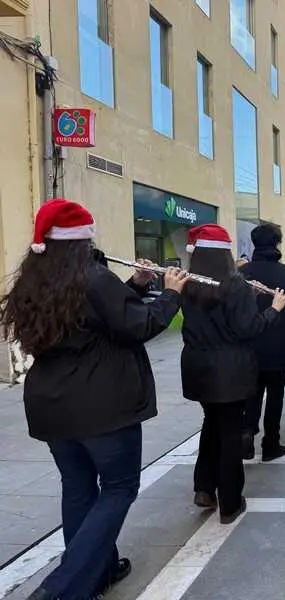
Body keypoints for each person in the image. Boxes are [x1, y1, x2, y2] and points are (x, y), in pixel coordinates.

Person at [0, 199, 189, 600]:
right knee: (119, 488)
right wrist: (171, 294)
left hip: (52, 405)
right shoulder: (94, 277)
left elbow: (98, 315)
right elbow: (137, 324)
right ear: (81, 241)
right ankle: (63, 589)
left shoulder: (34, 281)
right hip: (102, 406)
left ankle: (97, 570)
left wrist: (137, 284)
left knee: (79, 487)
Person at [180, 225, 285, 524]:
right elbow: (248, 328)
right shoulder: (234, 285)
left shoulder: (188, 283)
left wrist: (248, 298)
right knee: (229, 430)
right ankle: (229, 501)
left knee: (211, 422)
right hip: (229, 369)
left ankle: (204, 487)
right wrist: (274, 308)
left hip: (198, 368)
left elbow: (219, 316)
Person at [240, 223, 285, 461]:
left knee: (251, 393)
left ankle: (247, 434)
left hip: (248, 344)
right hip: (278, 347)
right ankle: (270, 443)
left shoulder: (242, 274)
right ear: (277, 243)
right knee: (275, 395)